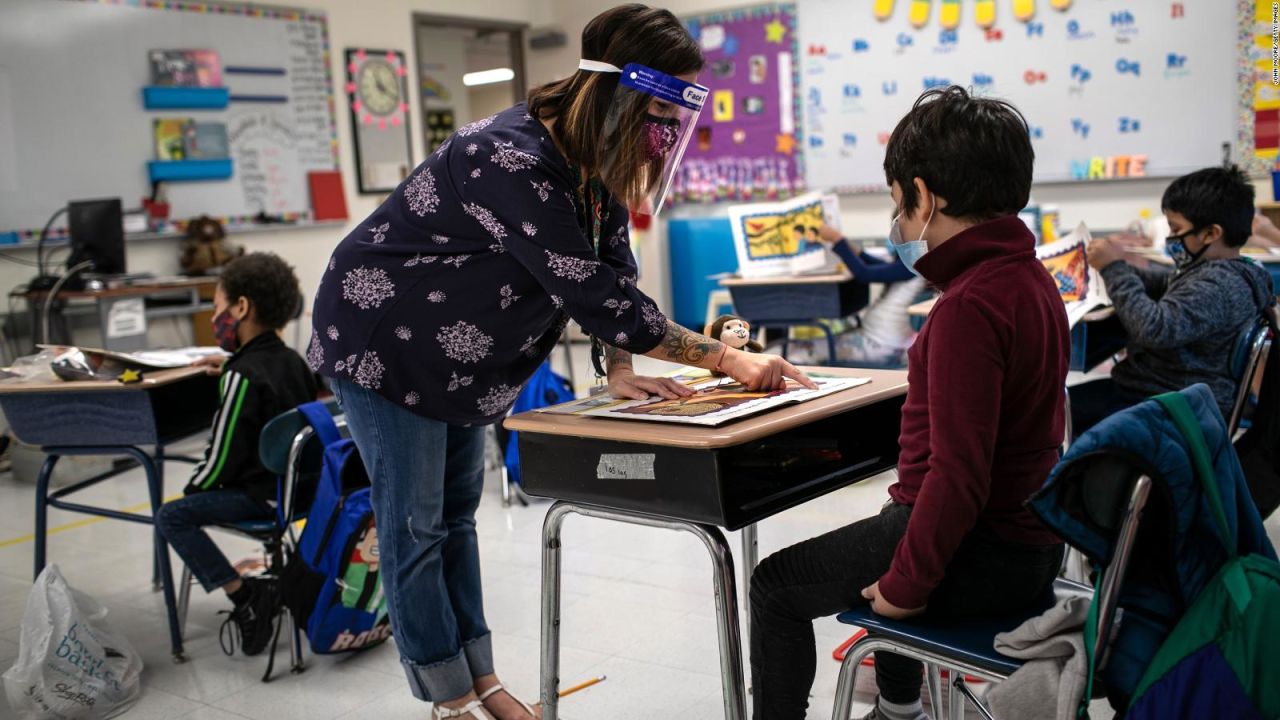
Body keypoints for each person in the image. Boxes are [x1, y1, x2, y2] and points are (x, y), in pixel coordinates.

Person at [307, 5, 812, 719]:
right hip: (384, 342)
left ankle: (482, 681)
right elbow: (593, 292)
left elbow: (610, 265)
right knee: (413, 525)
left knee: (454, 520)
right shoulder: (508, 158)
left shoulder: (587, 151)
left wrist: (619, 367)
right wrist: (728, 361)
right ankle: (449, 700)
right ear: (623, 94)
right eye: (661, 109)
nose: (666, 131)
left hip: (457, 357)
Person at [749, 86, 1068, 720]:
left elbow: (958, 480)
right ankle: (898, 711)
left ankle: (893, 708)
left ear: (924, 197)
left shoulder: (967, 308)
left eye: (899, 204)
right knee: (896, 521)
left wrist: (903, 589)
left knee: (775, 585)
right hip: (1029, 547)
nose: (899, 223)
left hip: (983, 551)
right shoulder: (1031, 279)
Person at [155, 252, 317, 656]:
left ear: (241, 307)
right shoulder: (293, 361)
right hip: (299, 495)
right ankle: (264, 587)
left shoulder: (242, 376)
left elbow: (220, 459)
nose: (215, 317)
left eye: (217, 306)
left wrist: (195, 490)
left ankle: (245, 596)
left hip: (263, 499)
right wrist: (233, 363)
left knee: (171, 516)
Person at [1074, 166, 1275, 437]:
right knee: (1057, 406)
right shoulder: (1217, 272)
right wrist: (1115, 266)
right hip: (1161, 393)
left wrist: (1114, 269)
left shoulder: (1219, 286)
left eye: (1176, 228)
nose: (1170, 237)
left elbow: (1154, 328)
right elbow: (1164, 283)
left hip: (1170, 407)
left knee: (1053, 412)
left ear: (1210, 234)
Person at [781, 224, 927, 367]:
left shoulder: (913, 266)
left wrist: (837, 240)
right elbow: (877, 266)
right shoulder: (915, 264)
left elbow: (864, 273)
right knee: (801, 346)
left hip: (879, 345)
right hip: (881, 342)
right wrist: (852, 249)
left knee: (794, 351)